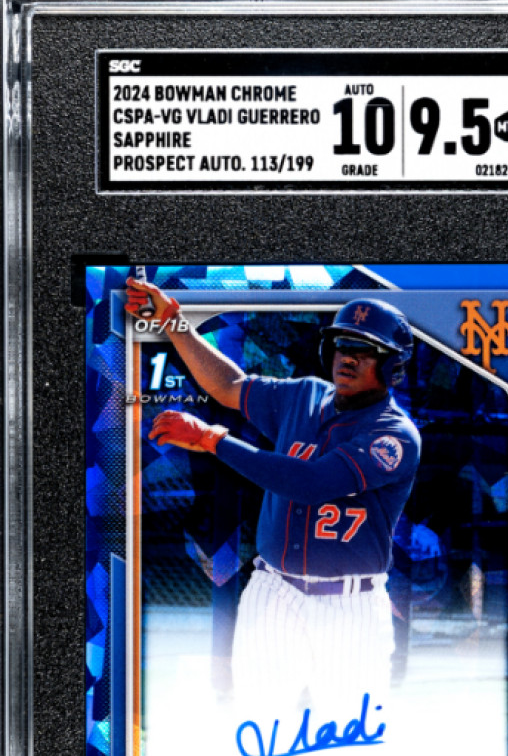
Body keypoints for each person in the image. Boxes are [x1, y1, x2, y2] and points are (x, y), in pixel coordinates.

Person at [125, 278, 421, 720]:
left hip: (351, 604)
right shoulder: (303, 396)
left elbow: (310, 483)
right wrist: (173, 321)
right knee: (258, 724)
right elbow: (230, 385)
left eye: (366, 350)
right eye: (342, 344)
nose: (348, 357)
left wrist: (211, 440)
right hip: (274, 591)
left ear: (393, 366)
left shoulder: (393, 435)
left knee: (350, 733)